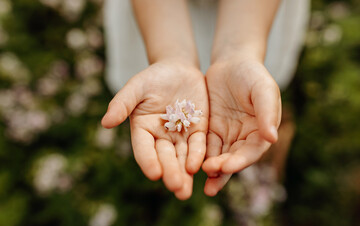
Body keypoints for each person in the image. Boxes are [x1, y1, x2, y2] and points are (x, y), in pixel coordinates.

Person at [102, 0, 310, 200]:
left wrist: (239, 52)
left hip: (254, 15)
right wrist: (170, 55)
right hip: (157, 19)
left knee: (250, 88)